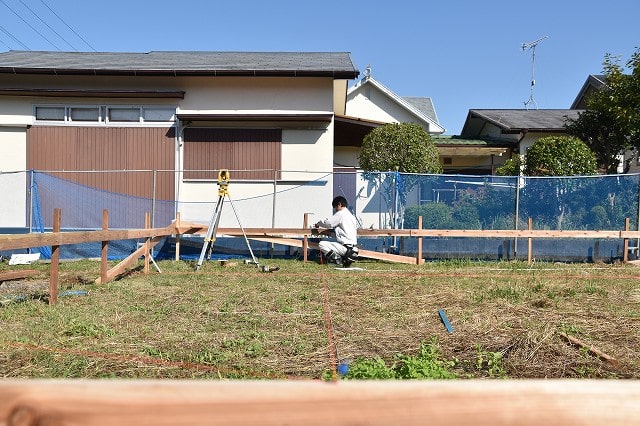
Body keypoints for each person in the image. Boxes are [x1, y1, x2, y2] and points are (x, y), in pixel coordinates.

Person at [314, 196, 359, 267]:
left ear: (339, 204)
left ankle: (337, 259)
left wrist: (318, 223)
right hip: (353, 249)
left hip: (345, 248)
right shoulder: (351, 216)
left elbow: (328, 223)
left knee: (321, 244)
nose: (335, 210)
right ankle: (345, 259)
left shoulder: (341, 214)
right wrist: (327, 233)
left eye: (335, 207)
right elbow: (342, 234)